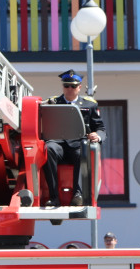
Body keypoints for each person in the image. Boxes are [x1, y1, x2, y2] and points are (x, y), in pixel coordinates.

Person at [44, 70, 106, 207]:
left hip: (78, 144)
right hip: (57, 143)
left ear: (79, 87)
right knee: (48, 149)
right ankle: (53, 197)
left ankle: (78, 195)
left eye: (73, 86)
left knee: (82, 153)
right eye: (66, 86)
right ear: (63, 87)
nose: (70, 89)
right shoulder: (53, 102)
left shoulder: (89, 104)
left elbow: (101, 128)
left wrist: (98, 136)